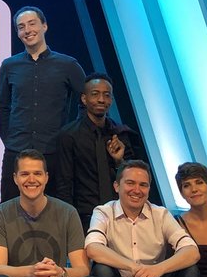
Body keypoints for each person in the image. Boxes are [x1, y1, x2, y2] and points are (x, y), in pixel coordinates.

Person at [0, 7, 86, 203]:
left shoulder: (68, 65)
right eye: (21, 27)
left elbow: (87, 101)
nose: (27, 30)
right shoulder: (9, 66)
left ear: (44, 26)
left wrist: (71, 136)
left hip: (53, 152)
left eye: (32, 24)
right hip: (16, 151)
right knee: (10, 209)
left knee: (54, 209)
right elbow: (2, 108)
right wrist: (10, 140)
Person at [55, 72, 152, 229]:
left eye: (106, 95)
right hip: (84, 217)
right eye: (95, 94)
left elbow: (133, 179)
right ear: (84, 99)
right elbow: (64, 184)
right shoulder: (69, 135)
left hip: (121, 216)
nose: (101, 99)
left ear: (111, 100)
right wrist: (68, 222)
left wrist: (119, 161)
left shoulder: (121, 134)